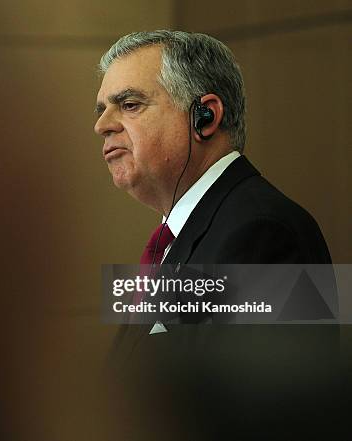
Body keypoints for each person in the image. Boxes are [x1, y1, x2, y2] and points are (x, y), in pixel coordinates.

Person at [94, 31, 341, 440]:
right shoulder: (176, 239)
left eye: (129, 104)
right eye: (102, 109)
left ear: (204, 117)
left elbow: (276, 421)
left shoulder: (266, 233)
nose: (101, 125)